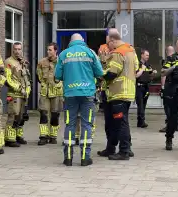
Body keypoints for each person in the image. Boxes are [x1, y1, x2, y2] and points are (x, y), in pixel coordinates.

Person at [55, 33, 103, 166]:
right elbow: (99, 72)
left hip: (70, 95)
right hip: (87, 94)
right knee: (87, 124)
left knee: (70, 125)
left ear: (71, 41)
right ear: (82, 41)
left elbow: (57, 75)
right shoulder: (90, 52)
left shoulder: (64, 54)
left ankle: (68, 158)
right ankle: (84, 157)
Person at [102, 29, 138, 160]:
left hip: (118, 92)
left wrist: (101, 74)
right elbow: (136, 68)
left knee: (120, 122)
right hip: (128, 92)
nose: (108, 47)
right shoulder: (131, 51)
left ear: (112, 40)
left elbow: (112, 73)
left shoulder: (118, 53)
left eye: (108, 44)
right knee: (123, 121)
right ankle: (125, 147)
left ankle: (124, 151)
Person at [4, 42, 31, 147]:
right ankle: (10, 139)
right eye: (15, 49)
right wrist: (20, 88)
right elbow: (8, 79)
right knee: (13, 115)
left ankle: (18, 136)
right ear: (12, 50)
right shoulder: (8, 62)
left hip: (23, 94)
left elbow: (26, 77)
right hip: (14, 94)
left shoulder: (23, 62)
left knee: (21, 117)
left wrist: (28, 89)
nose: (17, 51)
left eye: (19, 49)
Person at [37, 42, 63, 145]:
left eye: (50, 50)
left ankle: (53, 136)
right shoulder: (42, 62)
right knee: (43, 113)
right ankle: (43, 136)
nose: (48, 51)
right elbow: (39, 75)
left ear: (56, 51)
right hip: (45, 92)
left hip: (57, 92)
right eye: (47, 50)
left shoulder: (62, 62)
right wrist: (44, 84)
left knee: (55, 115)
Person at [159, 46, 178, 133]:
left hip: (169, 86)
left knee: (168, 106)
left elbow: (163, 75)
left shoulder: (168, 60)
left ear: (166, 51)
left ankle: (170, 125)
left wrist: (162, 87)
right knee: (177, 106)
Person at [135, 49, 157, 128]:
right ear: (142, 55)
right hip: (139, 87)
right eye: (146, 55)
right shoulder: (137, 64)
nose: (148, 56)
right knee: (140, 104)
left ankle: (140, 122)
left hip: (146, 87)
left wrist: (153, 73)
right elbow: (136, 75)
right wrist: (142, 69)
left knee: (143, 105)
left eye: (148, 55)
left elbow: (150, 76)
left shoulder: (148, 65)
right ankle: (141, 121)